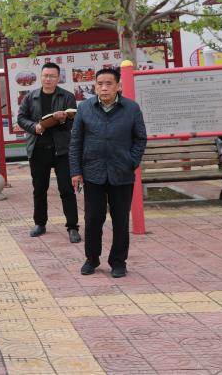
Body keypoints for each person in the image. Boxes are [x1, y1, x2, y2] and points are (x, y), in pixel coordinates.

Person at [70, 67, 147, 278]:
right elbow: (75, 141)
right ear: (95, 86)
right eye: (100, 84)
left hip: (122, 173)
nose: (104, 88)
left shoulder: (131, 108)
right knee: (93, 219)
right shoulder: (85, 108)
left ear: (118, 86)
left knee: (120, 220)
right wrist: (76, 171)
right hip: (92, 172)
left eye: (109, 84)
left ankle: (118, 262)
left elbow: (140, 139)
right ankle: (91, 259)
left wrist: (131, 162)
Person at [16, 62, 81, 243]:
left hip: (61, 150)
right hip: (38, 149)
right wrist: (35, 126)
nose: (48, 79)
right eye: (45, 75)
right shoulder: (30, 97)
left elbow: (72, 123)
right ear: (41, 76)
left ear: (58, 78)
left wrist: (62, 120)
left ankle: (72, 227)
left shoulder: (67, 96)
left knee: (66, 189)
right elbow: (21, 118)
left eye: (52, 76)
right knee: (39, 189)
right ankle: (40, 223)